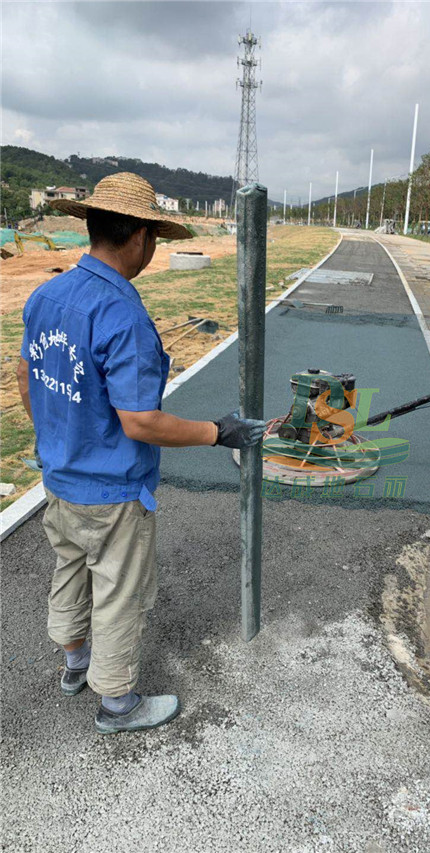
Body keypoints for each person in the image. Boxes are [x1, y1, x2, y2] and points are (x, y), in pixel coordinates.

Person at [17, 172, 265, 735]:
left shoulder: (48, 294)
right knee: (118, 592)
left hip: (58, 479)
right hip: (110, 489)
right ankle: (118, 702)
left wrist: (56, 440)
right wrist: (215, 431)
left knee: (70, 571)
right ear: (139, 237)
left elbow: (27, 377)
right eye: (153, 235)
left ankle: (74, 663)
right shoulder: (123, 315)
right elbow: (141, 421)